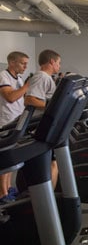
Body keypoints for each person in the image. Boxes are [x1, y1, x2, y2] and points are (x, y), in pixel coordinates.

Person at [24, 49, 61, 188]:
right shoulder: (42, 77)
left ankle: (49, 202)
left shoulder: (46, 78)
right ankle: (47, 204)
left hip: (43, 125)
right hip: (38, 126)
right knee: (51, 164)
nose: (59, 66)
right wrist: (54, 107)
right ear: (52, 61)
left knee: (52, 163)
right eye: (58, 62)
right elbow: (29, 99)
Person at [0, 51, 30, 204]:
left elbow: (21, 99)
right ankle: (2, 194)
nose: (25, 66)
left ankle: (8, 189)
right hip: (5, 122)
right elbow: (10, 97)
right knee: (5, 160)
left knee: (11, 160)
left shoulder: (18, 78)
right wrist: (27, 86)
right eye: (22, 63)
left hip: (16, 122)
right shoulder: (3, 76)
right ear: (12, 62)